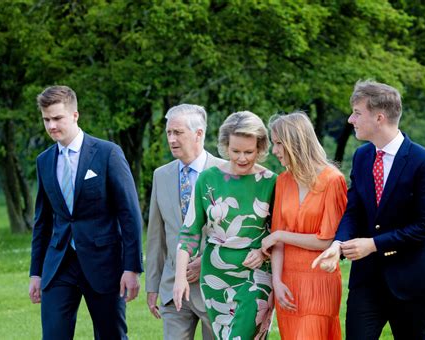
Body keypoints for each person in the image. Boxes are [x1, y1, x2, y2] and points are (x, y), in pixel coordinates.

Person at [313, 80, 425, 340]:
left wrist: (373, 244)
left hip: (412, 279)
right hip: (368, 280)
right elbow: (354, 209)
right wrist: (338, 243)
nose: (351, 119)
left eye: (357, 113)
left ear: (379, 117)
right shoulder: (362, 156)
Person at [28, 85, 143, 339]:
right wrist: (35, 272)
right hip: (58, 265)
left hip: (104, 263)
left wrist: (132, 267)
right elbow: (43, 221)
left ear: (75, 115)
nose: (51, 126)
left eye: (57, 118)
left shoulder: (107, 153)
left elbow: (129, 214)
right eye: (46, 119)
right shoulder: (44, 161)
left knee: (111, 335)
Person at [173, 111, 276, 339]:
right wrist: (180, 277)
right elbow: (189, 233)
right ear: (225, 147)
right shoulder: (208, 179)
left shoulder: (271, 181)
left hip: (256, 277)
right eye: (235, 151)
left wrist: (263, 252)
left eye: (249, 152)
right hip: (215, 279)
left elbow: (278, 233)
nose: (242, 158)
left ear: (259, 148)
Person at [260, 112, 347, 339]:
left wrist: (279, 235)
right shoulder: (282, 181)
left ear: (295, 142)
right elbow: (276, 243)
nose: (274, 150)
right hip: (288, 283)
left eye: (279, 143)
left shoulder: (332, 180)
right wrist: (276, 281)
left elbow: (326, 240)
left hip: (319, 281)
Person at [145, 104, 224, 339]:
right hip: (172, 288)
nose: (171, 139)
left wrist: (206, 261)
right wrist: (152, 286)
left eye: (178, 132)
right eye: (169, 133)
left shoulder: (224, 172)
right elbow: (156, 235)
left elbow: (234, 232)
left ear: (198, 133)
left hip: (215, 286)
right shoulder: (161, 175)